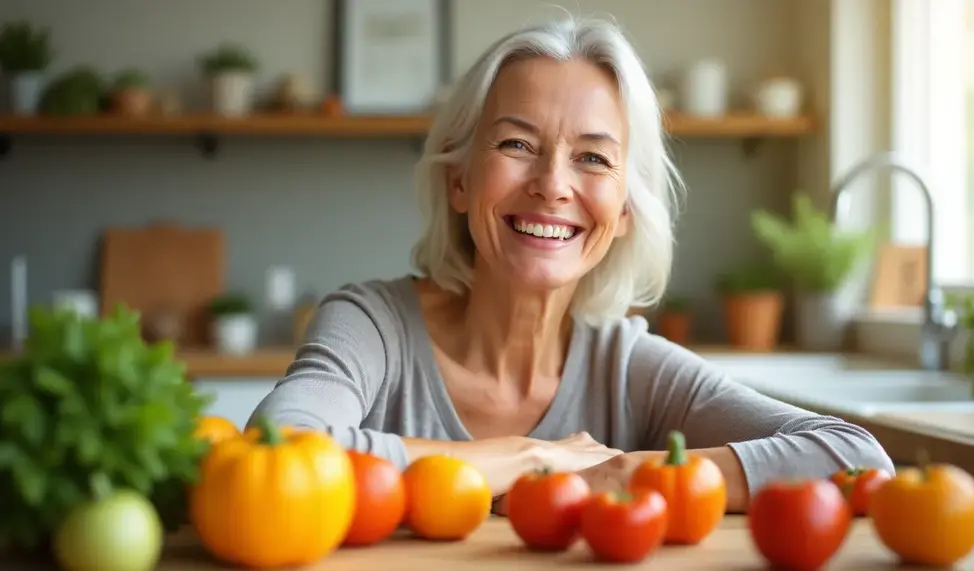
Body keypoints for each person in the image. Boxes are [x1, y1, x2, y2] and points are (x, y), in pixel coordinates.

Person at [248, 15, 894, 513]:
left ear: (625, 211)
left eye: (592, 157)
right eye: (517, 144)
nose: (553, 184)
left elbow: (854, 456)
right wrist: (526, 458)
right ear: (460, 181)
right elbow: (277, 448)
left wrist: (622, 471)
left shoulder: (629, 365)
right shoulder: (372, 325)